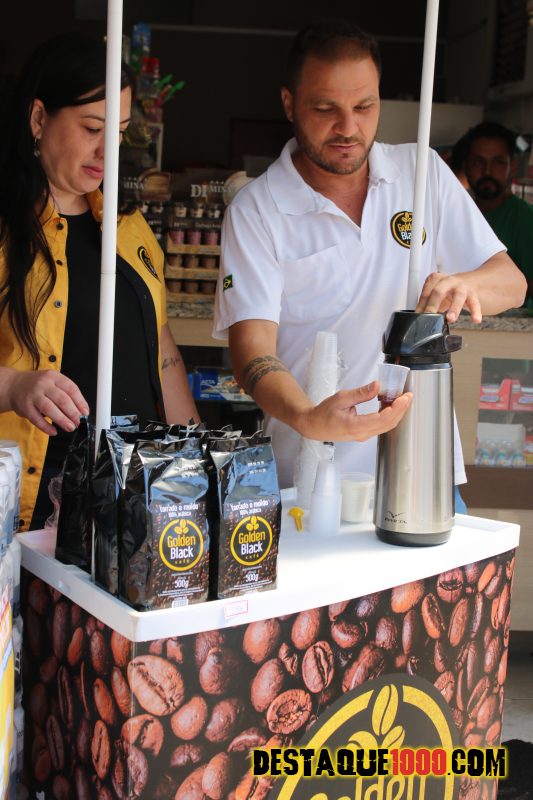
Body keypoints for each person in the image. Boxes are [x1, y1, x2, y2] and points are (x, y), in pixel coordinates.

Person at [213, 19, 526, 499]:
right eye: (325, 108)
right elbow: (252, 351)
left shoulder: (421, 173)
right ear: (289, 103)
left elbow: (512, 283)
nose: (348, 128)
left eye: (364, 106)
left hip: (425, 468)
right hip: (312, 481)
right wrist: (308, 417)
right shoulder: (257, 209)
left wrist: (469, 284)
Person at [0, 33, 199, 531]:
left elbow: (162, 354)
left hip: (130, 509)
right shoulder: (7, 231)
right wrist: (15, 385)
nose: (107, 150)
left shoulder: (129, 228)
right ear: (39, 119)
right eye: (93, 128)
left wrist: (195, 463)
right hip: (30, 511)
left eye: (121, 132)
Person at [459, 121, 533, 303]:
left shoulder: (526, 218)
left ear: (512, 166)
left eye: (498, 162)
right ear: (466, 165)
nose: (487, 171)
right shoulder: (456, 214)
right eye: (479, 162)